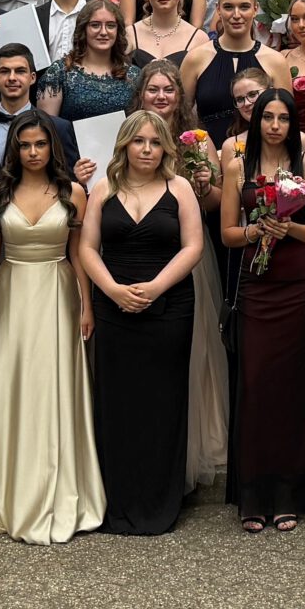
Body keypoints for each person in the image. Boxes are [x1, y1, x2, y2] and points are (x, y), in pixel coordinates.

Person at [78, 111, 207, 535]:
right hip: (113, 307)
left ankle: (158, 501)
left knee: (162, 402)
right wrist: (113, 290)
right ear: (125, 145)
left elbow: (192, 247)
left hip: (170, 307)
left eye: (155, 142)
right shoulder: (103, 188)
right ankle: (118, 499)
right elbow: (87, 248)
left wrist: (154, 288)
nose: (147, 150)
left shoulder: (179, 187)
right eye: (139, 141)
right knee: (117, 402)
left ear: (166, 148)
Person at [222, 87, 305, 533]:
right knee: (255, 385)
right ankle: (253, 495)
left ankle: (289, 494)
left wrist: (290, 229)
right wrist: (255, 232)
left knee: (293, 389)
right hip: (256, 286)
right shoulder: (237, 166)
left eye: (283, 118)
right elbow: (228, 233)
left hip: (298, 285)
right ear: (256, 122)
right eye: (267, 117)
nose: (274, 125)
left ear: (293, 124)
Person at [183, 0, 290, 142]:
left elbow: (285, 119)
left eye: (244, 7)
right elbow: (181, 116)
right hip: (209, 153)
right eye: (228, 7)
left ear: (255, 9)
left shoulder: (275, 61)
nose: (236, 15)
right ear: (218, 9)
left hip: (261, 153)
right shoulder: (195, 58)